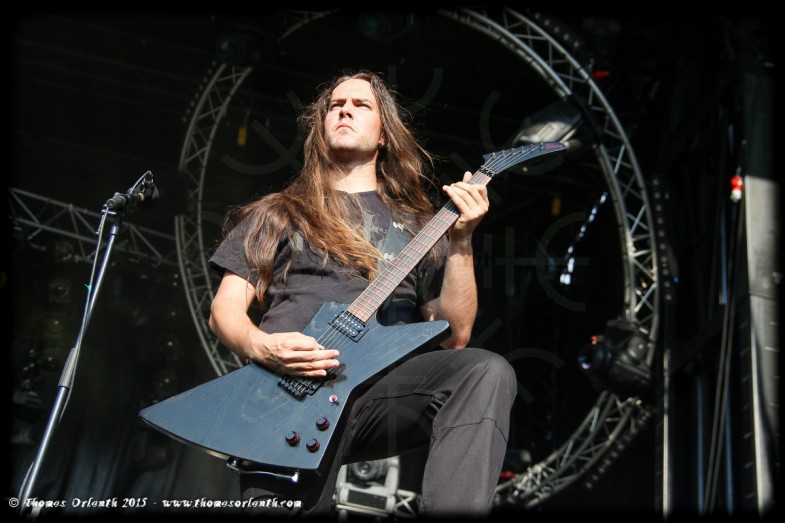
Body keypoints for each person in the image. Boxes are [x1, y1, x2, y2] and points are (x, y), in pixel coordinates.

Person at [207, 70, 517, 517]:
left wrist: (462, 240)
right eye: (336, 105)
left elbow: (455, 335)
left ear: (384, 135)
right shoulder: (278, 212)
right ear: (321, 128)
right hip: (287, 394)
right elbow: (224, 310)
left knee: (483, 372)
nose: (345, 110)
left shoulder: (420, 227)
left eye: (361, 105)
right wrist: (262, 346)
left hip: (378, 393)